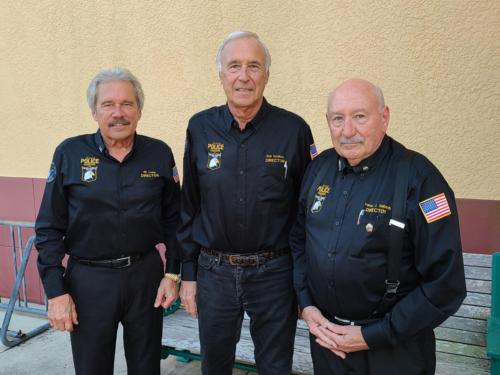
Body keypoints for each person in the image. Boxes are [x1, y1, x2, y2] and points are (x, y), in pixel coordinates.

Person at [290, 78, 466, 374]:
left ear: (384, 117)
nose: (347, 131)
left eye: (360, 117)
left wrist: (371, 336)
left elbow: (445, 285)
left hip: (394, 351)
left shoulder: (420, 180)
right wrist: (306, 306)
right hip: (328, 344)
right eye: (338, 118)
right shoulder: (317, 170)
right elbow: (298, 241)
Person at [177, 31, 315, 375]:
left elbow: (306, 214)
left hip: (274, 274)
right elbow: (189, 206)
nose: (244, 76)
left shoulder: (294, 130)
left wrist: (302, 282)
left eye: (253, 66)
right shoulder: (199, 127)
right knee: (215, 366)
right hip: (214, 273)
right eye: (234, 66)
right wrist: (188, 274)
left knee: (275, 366)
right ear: (221, 74)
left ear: (266, 74)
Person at [35, 67, 181, 375]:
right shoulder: (69, 154)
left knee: (146, 367)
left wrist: (172, 274)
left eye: (127, 104)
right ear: (94, 111)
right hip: (89, 281)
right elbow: (49, 228)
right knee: (92, 368)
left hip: (145, 277)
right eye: (108, 104)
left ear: (139, 110)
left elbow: (175, 221)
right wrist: (55, 291)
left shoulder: (159, 154)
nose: (118, 113)